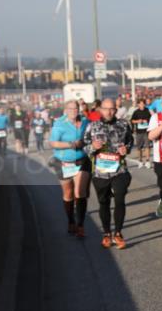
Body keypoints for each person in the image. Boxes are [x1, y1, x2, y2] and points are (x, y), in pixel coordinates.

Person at [84, 98, 135, 250]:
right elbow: (85, 146)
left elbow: (130, 142)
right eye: (106, 109)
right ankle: (107, 234)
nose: (109, 111)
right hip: (100, 172)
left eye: (112, 109)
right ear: (100, 109)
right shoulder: (92, 126)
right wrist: (92, 147)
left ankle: (118, 233)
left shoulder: (123, 124)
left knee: (119, 199)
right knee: (104, 203)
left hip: (119, 170)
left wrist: (126, 149)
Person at [49, 100, 91, 237]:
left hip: (81, 160)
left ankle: (81, 225)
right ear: (65, 110)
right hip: (64, 162)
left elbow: (90, 136)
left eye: (75, 108)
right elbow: (53, 143)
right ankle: (71, 221)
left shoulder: (85, 121)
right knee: (68, 194)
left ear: (79, 109)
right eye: (70, 108)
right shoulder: (59, 124)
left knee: (80, 192)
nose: (73, 111)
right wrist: (71, 144)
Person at [129, 98, 152, 168]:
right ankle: (140, 161)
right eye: (140, 104)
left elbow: (152, 119)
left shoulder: (148, 111)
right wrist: (138, 121)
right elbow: (132, 121)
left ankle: (148, 161)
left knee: (147, 146)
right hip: (139, 132)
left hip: (147, 131)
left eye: (143, 104)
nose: (142, 105)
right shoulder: (136, 112)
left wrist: (146, 121)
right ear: (138, 104)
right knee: (139, 148)